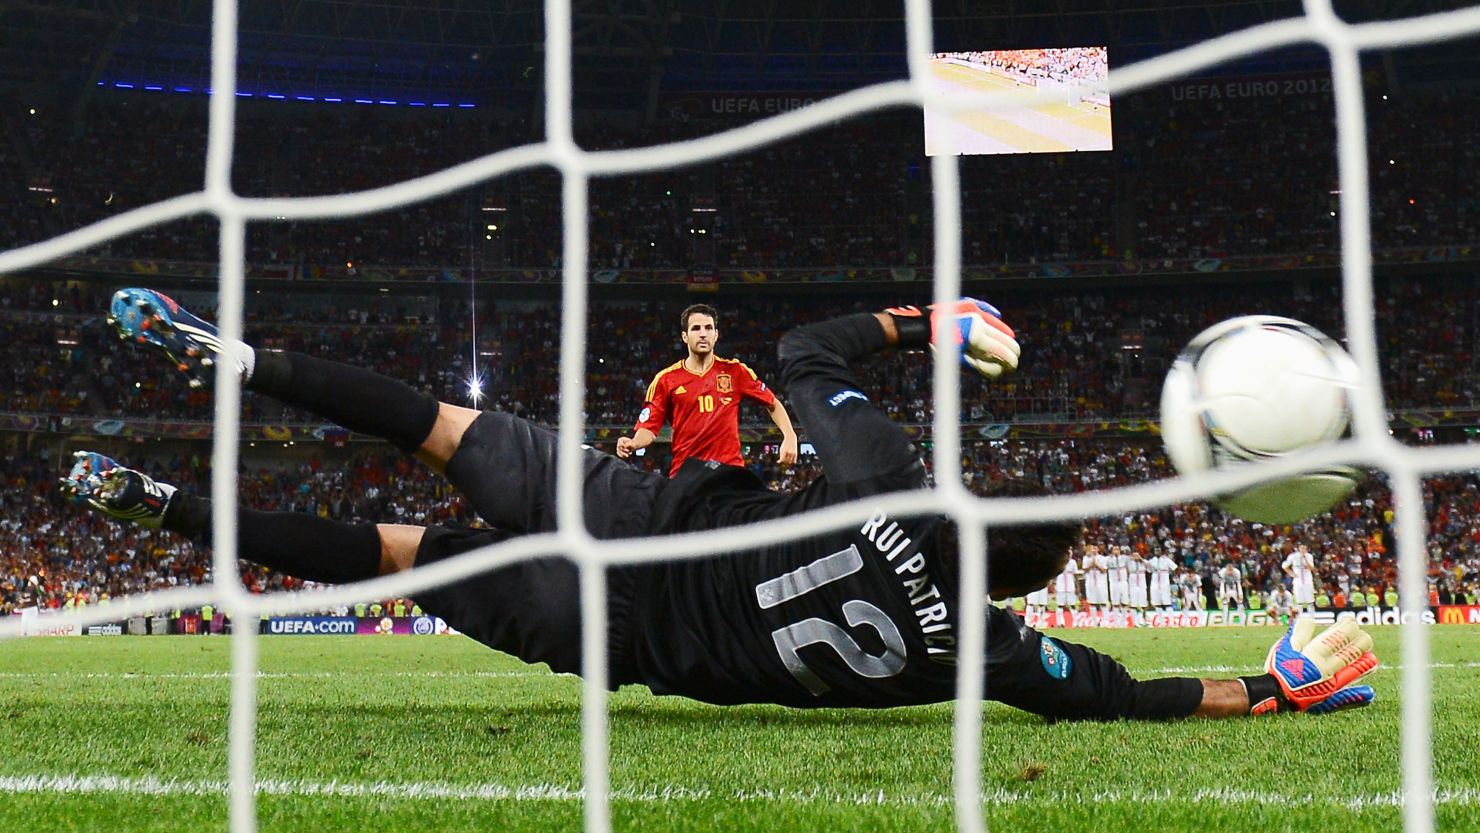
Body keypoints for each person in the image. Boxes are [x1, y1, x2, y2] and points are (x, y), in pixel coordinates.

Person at [66, 288, 1376, 720]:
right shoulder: (982, 651)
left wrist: (932, 318)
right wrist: (1262, 690)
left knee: (431, 420)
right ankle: (163, 506)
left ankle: (242, 359)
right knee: (391, 551)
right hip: (624, 637)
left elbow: (808, 355)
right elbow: (1113, 694)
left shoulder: (891, 491)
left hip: (639, 508)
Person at [616, 304, 799, 477]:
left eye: (708, 328)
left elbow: (772, 403)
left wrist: (790, 436)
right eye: (696, 328)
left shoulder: (735, 371)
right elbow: (649, 428)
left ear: (716, 334)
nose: (703, 334)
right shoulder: (666, 380)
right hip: (686, 475)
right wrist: (634, 442)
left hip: (729, 475)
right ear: (684, 336)